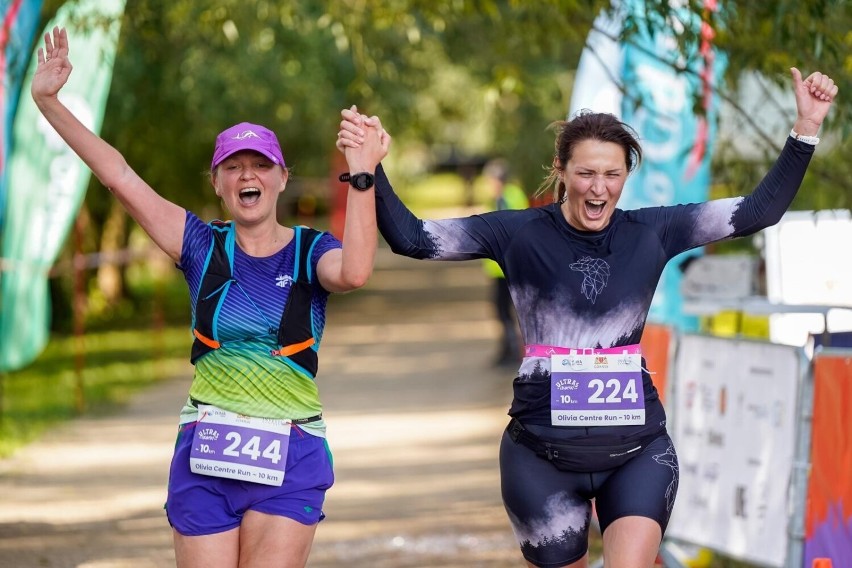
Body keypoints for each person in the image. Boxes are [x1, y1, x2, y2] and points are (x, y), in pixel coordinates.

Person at [337, 67, 837, 567]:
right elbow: (413, 239)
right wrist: (370, 170)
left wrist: (806, 127)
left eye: (612, 174)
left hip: (638, 452)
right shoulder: (518, 232)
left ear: (626, 176)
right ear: (560, 169)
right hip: (540, 459)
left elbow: (756, 212)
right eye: (586, 173)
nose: (598, 189)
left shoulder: (654, 231)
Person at [32, 27, 389, 568]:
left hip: (290, 453)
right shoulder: (199, 245)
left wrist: (363, 174)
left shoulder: (311, 252)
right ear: (218, 184)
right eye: (233, 166)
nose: (248, 173)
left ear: (281, 178)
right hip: (206, 455)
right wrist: (47, 102)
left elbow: (357, 272)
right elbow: (119, 175)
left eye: (261, 164)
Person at [480, 159, 529, 367]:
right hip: (506, 267)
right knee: (506, 311)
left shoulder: (505, 199)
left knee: (504, 311)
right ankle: (509, 350)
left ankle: (511, 352)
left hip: (505, 268)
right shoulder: (510, 195)